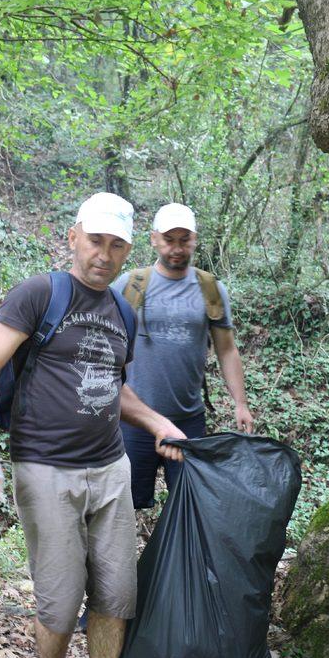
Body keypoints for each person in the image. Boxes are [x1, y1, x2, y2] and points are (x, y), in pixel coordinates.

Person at [0, 192, 186, 658]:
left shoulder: (122, 312)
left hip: (110, 467)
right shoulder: (40, 294)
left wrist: (158, 421)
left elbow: (115, 387)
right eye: (95, 241)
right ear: (73, 236)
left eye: (116, 246)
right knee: (60, 602)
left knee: (117, 594)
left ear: (128, 249)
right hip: (45, 469)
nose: (104, 256)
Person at [112, 202, 254, 509]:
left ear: (194, 239)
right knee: (125, 504)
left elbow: (227, 349)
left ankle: (176, 557)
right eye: (169, 240)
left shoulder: (210, 289)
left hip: (188, 419)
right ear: (154, 240)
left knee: (188, 504)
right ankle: (125, 558)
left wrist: (240, 403)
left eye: (184, 240)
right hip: (135, 419)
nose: (177, 248)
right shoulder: (131, 285)